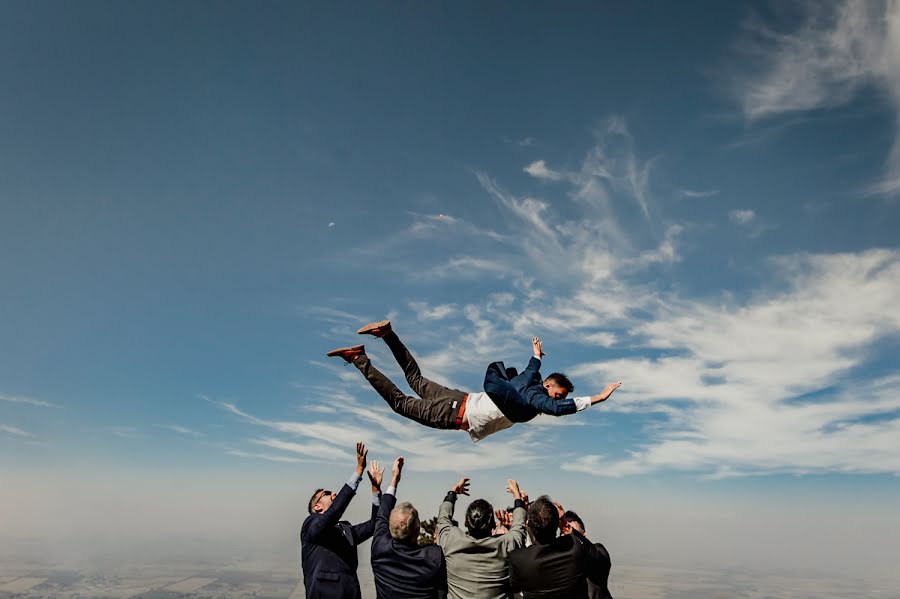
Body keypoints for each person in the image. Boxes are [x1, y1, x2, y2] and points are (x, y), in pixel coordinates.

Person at [326, 320, 620, 442]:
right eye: (559, 393)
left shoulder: (530, 380)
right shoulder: (536, 399)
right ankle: (358, 358)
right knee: (401, 403)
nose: (557, 398)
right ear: (549, 386)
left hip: (462, 398)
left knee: (416, 380)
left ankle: (388, 334)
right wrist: (595, 398)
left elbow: (532, 367)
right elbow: (555, 409)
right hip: (456, 412)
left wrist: (537, 355)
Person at [300, 442, 384, 599]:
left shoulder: (346, 530)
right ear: (317, 507)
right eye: (327, 493)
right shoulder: (310, 525)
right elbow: (333, 513)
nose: (334, 494)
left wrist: (376, 490)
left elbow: (375, 525)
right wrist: (358, 471)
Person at [436, 476, 527, 599]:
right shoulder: (506, 544)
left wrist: (453, 493)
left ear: (466, 522)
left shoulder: (451, 540)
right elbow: (519, 525)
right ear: (493, 524)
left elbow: (443, 518)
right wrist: (517, 496)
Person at [371, 456, 447, 599]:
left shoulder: (380, 548)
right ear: (418, 531)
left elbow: (382, 514)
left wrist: (394, 479)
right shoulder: (433, 556)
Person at [508, 496, 611, 599]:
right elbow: (600, 558)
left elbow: (514, 588)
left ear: (528, 525)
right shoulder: (575, 547)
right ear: (557, 524)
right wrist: (567, 526)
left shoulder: (518, 559)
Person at [564, 511, 613, 599]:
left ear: (584, 534)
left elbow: (599, 560)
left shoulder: (598, 550)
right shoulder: (560, 563)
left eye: (574, 531)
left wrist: (574, 534)